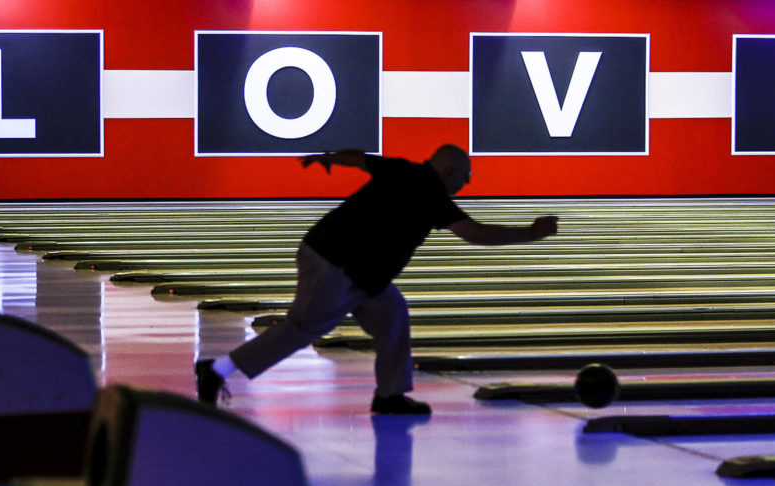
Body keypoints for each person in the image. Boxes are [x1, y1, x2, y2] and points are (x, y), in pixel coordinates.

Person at [195, 144, 558, 414]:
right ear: (448, 172)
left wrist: (328, 157)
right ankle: (217, 369)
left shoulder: (402, 169)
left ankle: (390, 395)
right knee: (301, 329)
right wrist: (531, 232)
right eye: (466, 176)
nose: (467, 183)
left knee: (393, 315)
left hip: (357, 273)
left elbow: (360, 158)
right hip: (335, 266)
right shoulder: (431, 193)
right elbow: (476, 234)